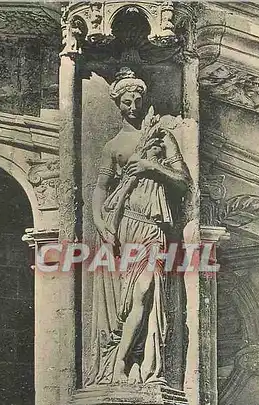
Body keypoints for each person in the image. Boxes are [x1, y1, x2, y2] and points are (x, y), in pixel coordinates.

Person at [87, 67, 191, 385]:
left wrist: (151, 166)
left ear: (144, 100)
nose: (133, 107)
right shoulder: (113, 146)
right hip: (126, 227)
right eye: (126, 102)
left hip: (154, 227)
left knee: (146, 290)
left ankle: (132, 362)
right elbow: (101, 189)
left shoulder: (161, 137)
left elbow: (183, 181)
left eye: (137, 100)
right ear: (118, 103)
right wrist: (100, 222)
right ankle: (125, 361)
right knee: (129, 300)